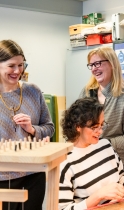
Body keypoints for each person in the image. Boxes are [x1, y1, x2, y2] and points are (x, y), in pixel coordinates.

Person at [59, 97, 124, 210]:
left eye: (102, 125)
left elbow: (120, 182)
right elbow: (64, 208)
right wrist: (97, 196)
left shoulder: (105, 146)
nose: (100, 131)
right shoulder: (63, 162)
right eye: (95, 127)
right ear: (78, 126)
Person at [0, 39, 55, 210]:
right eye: (11, 66)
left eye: (21, 65)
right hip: (3, 176)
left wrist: (32, 129)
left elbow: (49, 128)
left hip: (34, 174)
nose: (17, 71)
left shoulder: (33, 91)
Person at [79, 46, 124, 168]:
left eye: (98, 63)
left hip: (112, 161)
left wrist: (104, 143)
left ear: (112, 64)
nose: (94, 69)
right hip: (85, 157)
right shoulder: (86, 93)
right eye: (91, 65)